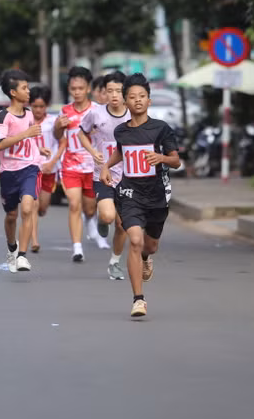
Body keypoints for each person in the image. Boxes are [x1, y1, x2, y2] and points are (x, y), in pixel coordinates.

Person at [101, 73, 183, 318]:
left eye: (142, 96)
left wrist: (161, 158)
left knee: (150, 245)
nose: (137, 101)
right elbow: (121, 153)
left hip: (157, 194)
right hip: (130, 192)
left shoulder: (161, 129)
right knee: (134, 240)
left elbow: (176, 161)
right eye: (132, 97)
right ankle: (139, 300)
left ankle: (147, 257)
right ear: (125, 102)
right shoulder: (121, 131)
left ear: (149, 100)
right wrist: (106, 166)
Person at [0, 69, 50, 273]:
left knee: (28, 208)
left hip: (29, 167)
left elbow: (30, 137)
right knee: (11, 215)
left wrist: (38, 148)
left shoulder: (29, 115)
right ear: (13, 92)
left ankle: (23, 256)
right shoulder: (3, 117)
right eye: (24, 88)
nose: (29, 92)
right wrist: (26, 133)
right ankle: (12, 247)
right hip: (9, 171)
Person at [79, 71, 129, 280]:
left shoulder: (132, 115)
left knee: (122, 224)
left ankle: (114, 262)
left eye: (118, 91)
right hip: (103, 174)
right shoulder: (96, 114)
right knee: (109, 216)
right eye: (110, 91)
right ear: (103, 93)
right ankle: (101, 218)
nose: (114, 95)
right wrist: (92, 152)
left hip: (128, 177)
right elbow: (82, 133)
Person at [53, 65, 103, 262]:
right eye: (73, 89)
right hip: (71, 166)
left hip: (93, 167)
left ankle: (91, 219)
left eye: (81, 88)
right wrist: (58, 127)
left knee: (90, 208)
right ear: (69, 89)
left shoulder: (98, 111)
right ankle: (77, 247)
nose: (77, 92)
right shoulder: (65, 112)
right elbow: (58, 136)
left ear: (88, 88)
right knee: (74, 204)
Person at [28, 85, 65, 253]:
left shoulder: (53, 121)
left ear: (47, 106)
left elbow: (63, 142)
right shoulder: (26, 121)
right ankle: (34, 240)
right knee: (33, 204)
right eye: (35, 106)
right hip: (30, 167)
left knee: (42, 207)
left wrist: (53, 161)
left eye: (41, 106)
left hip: (49, 169)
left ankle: (40, 213)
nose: (38, 110)